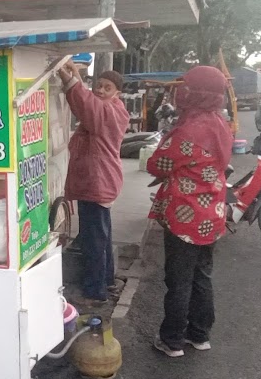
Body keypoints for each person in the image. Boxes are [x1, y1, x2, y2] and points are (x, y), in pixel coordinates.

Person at [146, 66, 233, 357]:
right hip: (212, 215)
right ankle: (199, 335)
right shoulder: (220, 124)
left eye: (186, 86)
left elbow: (156, 165)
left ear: (197, 93)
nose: (181, 91)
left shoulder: (188, 131)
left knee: (179, 280)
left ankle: (171, 340)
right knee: (201, 276)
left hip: (185, 217)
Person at [57, 61, 130, 310]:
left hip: (97, 183)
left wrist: (71, 80)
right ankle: (106, 281)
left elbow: (88, 107)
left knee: (94, 240)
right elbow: (88, 104)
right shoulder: (112, 108)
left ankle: (95, 292)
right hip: (100, 182)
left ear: (117, 93)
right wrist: (76, 78)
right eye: (98, 85)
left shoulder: (108, 113)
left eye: (107, 88)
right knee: (102, 236)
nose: (100, 90)